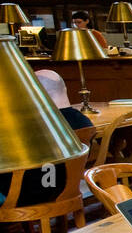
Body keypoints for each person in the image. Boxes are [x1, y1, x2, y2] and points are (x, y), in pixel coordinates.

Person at [0, 71, 91, 208]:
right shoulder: (83, 121)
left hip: (31, 194)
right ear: (64, 88)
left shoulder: (39, 125)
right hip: (65, 187)